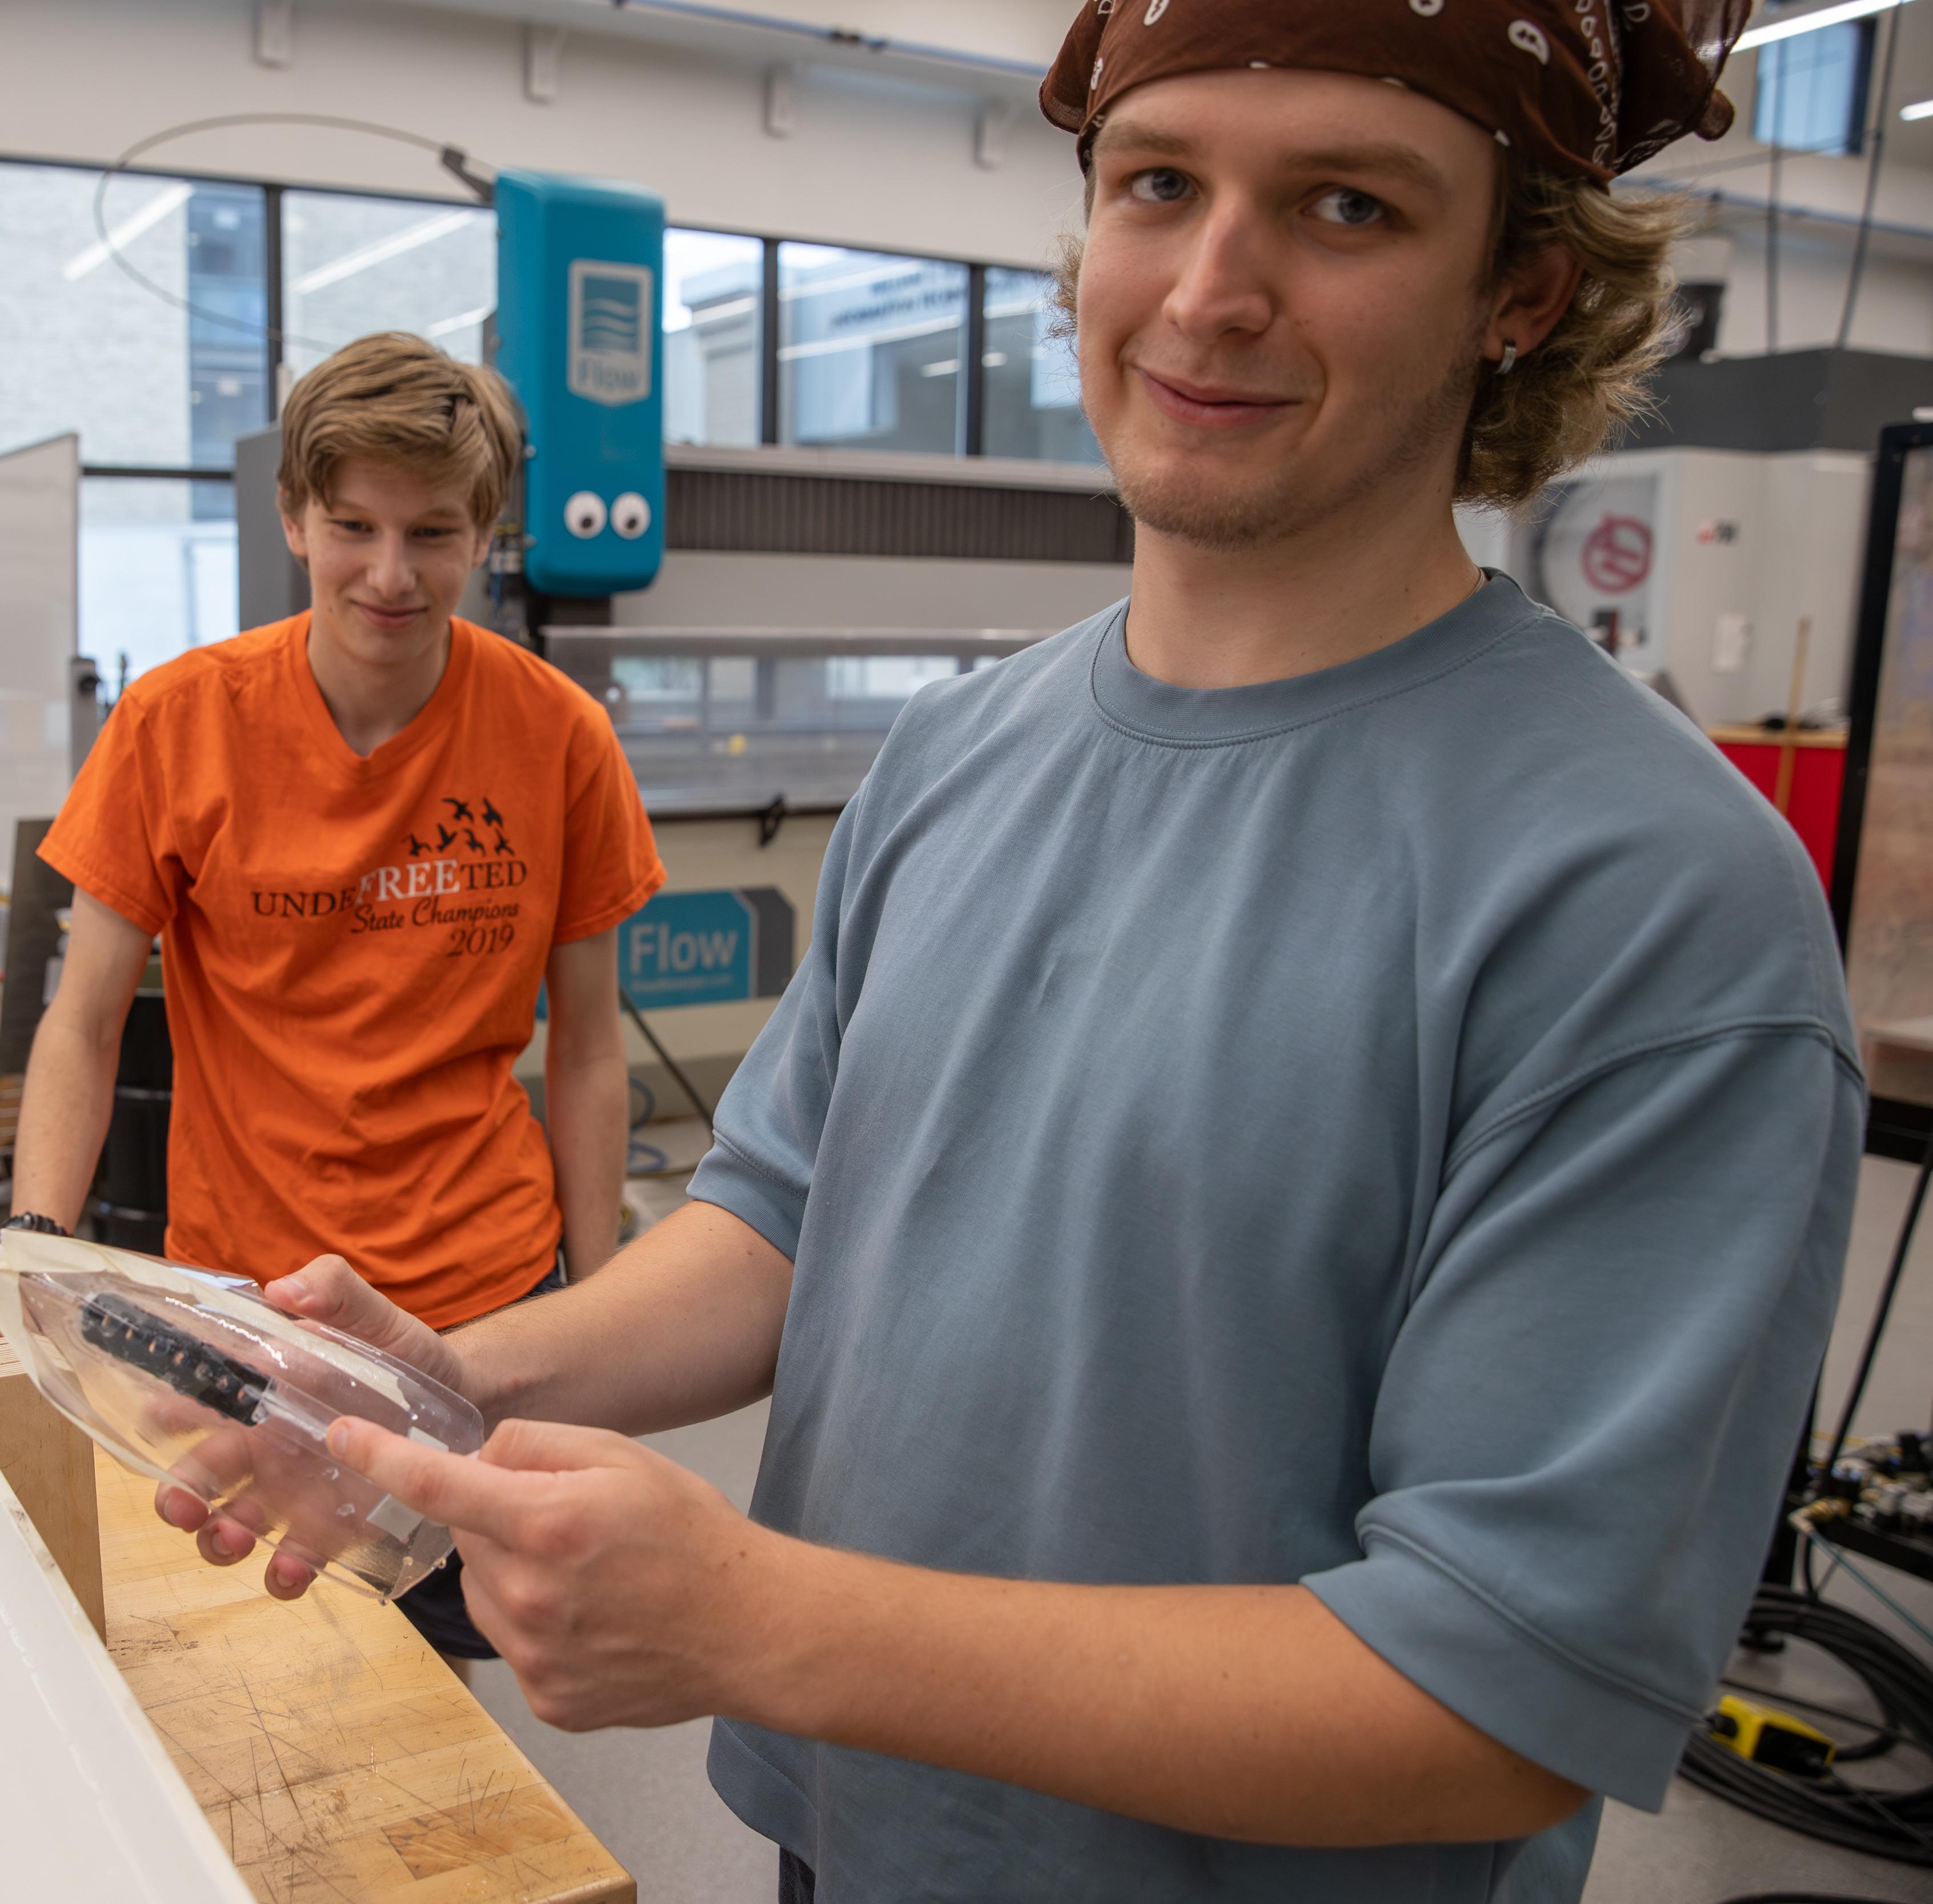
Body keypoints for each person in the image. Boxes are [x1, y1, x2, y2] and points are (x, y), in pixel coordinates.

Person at [165, 4, 1868, 1897]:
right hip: (850, 1847)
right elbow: (779, 1229)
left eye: (1347, 208)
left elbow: (1495, 1689)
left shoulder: (1646, 897)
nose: (1211, 292)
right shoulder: (960, 754)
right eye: (1159, 185)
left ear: (1521, 293)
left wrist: (757, 1621)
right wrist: (442, 1383)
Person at [0, 330, 667, 1658]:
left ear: (485, 534)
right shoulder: (177, 721)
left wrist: (598, 1311)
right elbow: (82, 1018)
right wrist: (28, 1244)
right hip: (252, 1306)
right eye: (353, 527)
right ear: (294, 516)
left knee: (476, 1665)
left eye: (434, 534)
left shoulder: (559, 735)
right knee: (275, 1650)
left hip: (484, 1299)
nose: (391, 575)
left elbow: (589, 1051)